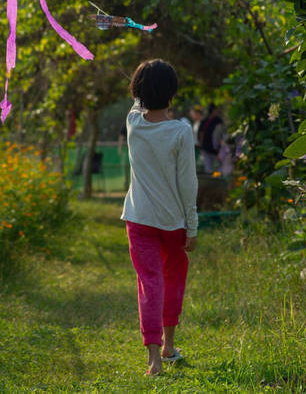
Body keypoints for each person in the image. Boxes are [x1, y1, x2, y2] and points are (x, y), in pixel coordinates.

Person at [121, 59, 198, 376]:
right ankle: (169, 345)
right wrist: (191, 226)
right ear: (172, 94)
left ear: (138, 93)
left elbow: (139, 102)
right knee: (173, 280)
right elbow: (188, 183)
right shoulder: (180, 131)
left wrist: (142, 81)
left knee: (149, 284)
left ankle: (154, 360)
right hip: (172, 223)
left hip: (139, 220)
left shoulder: (133, 125)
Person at [198, 104, 224, 174]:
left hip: (214, 148)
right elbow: (201, 133)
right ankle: (212, 181)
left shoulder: (218, 121)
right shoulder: (206, 120)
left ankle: (215, 180)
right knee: (209, 167)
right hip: (208, 147)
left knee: (215, 167)